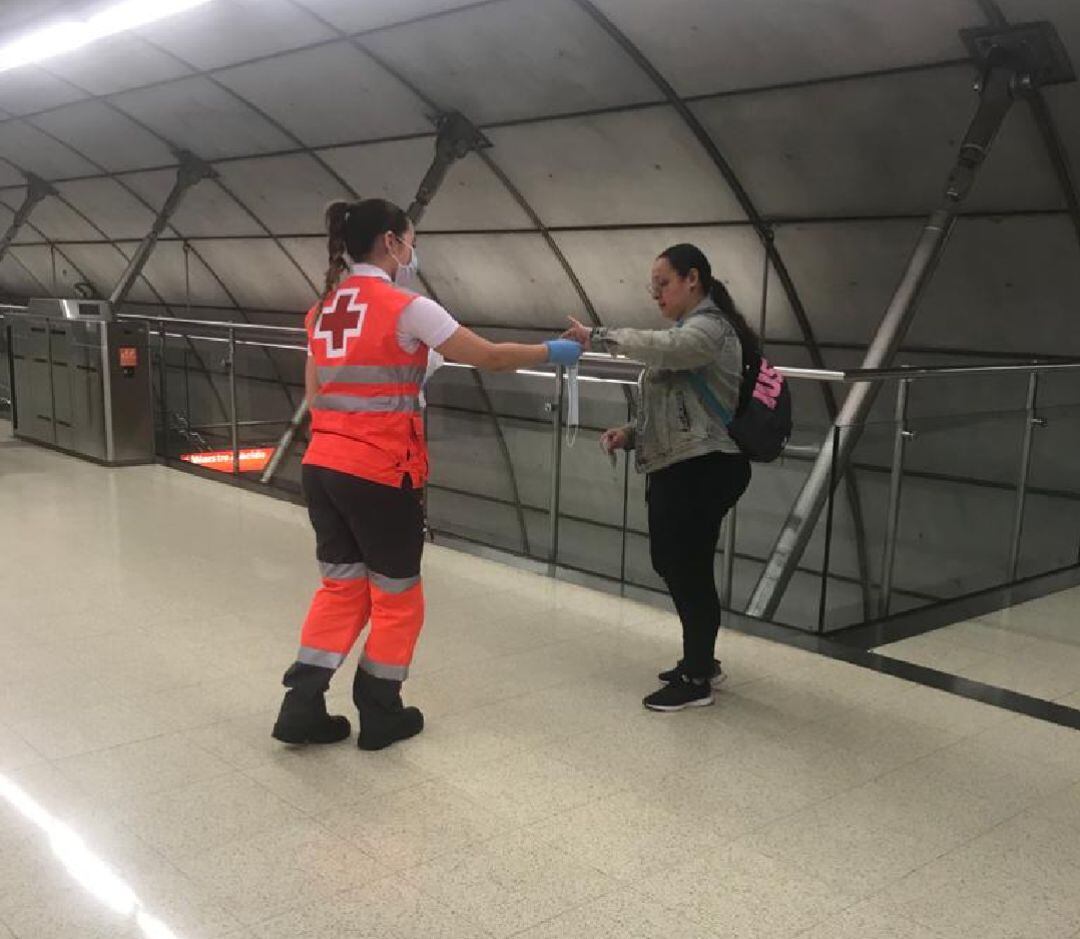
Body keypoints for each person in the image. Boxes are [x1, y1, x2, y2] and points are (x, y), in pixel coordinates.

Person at [272, 198, 581, 750]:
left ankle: (301, 706)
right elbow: (487, 357)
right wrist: (557, 349)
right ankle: (380, 710)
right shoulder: (407, 306)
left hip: (322, 466)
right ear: (391, 242)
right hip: (380, 473)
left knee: (341, 589)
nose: (413, 248)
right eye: (410, 238)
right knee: (397, 596)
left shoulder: (322, 311)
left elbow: (318, 392)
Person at [563, 243, 754, 712]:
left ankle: (696, 677)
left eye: (663, 283)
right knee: (679, 565)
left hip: (704, 466)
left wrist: (600, 335)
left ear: (693, 280)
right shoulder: (691, 332)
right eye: (653, 287)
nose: (656, 294)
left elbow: (667, 350)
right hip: (684, 463)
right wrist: (629, 434)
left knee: (685, 567)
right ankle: (700, 662)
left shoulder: (709, 330)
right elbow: (674, 408)